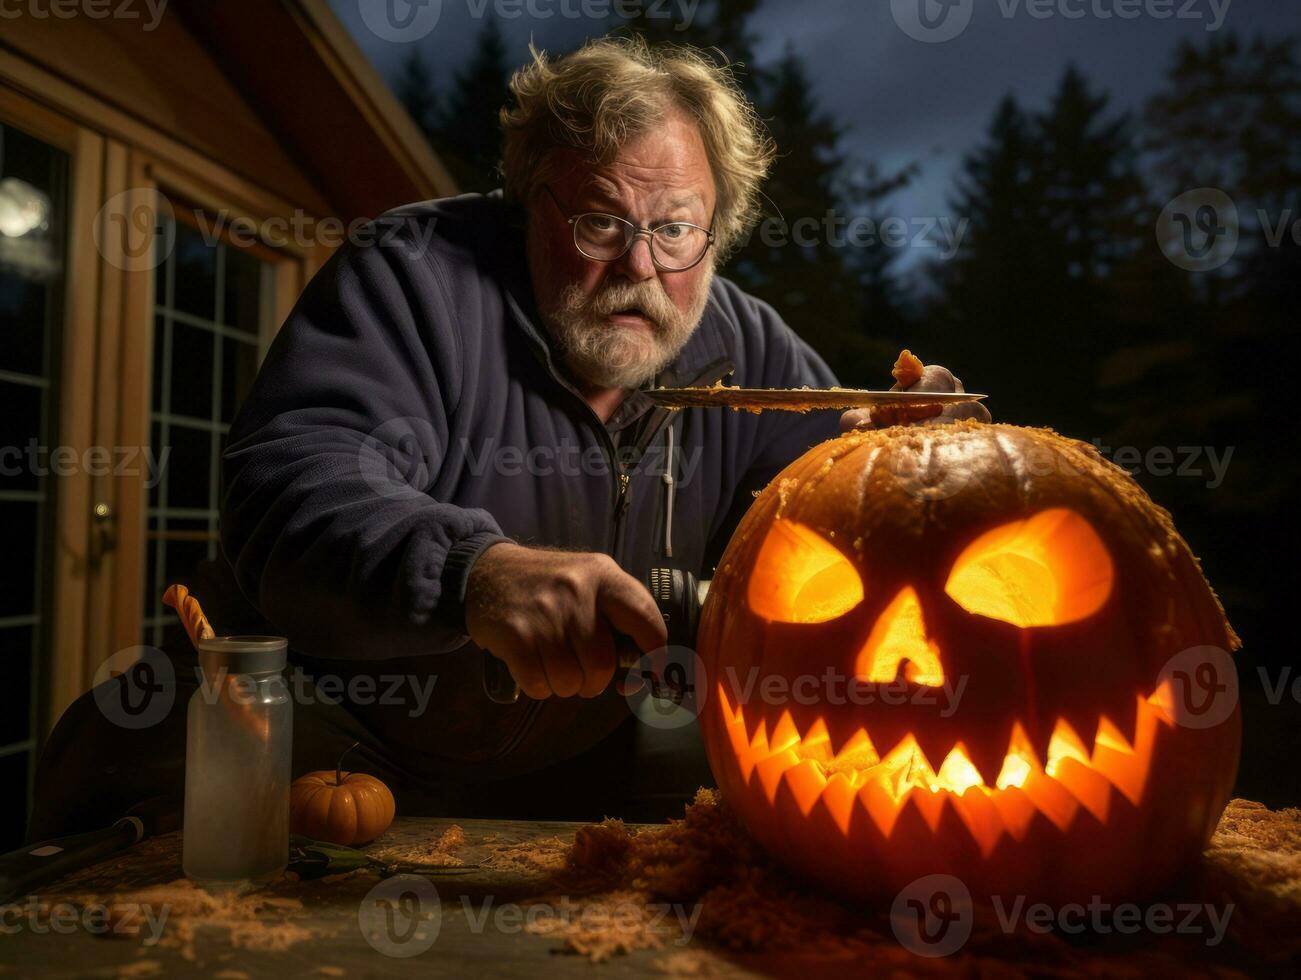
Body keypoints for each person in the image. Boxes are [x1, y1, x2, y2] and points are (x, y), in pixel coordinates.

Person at [28, 36, 986, 839]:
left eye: (677, 230)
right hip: (329, 726)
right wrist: (468, 573)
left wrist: (917, 461)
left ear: (716, 234)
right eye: (602, 220)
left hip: (568, 756)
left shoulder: (748, 343)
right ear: (531, 204)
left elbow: (847, 504)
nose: (639, 267)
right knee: (158, 803)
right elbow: (294, 486)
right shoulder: (411, 277)